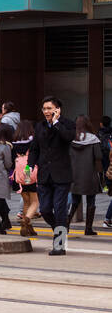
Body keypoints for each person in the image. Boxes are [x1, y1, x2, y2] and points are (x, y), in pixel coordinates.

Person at [32, 96, 76, 255]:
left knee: (59, 209)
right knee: (44, 210)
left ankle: (59, 246)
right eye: (44, 109)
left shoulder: (67, 124)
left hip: (61, 175)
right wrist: (30, 166)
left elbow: (68, 137)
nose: (46, 112)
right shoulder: (39, 126)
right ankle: (61, 229)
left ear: (58, 110)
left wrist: (56, 123)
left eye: (49, 108)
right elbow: (35, 147)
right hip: (44, 175)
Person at [69, 115, 102, 236]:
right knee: (91, 202)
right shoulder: (93, 139)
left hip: (74, 175)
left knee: (75, 201)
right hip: (90, 175)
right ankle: (88, 229)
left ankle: (66, 223)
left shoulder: (71, 139)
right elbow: (98, 156)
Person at [12, 119, 39, 237]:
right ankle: (26, 219)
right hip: (29, 170)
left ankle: (28, 228)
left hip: (19, 173)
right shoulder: (33, 141)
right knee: (35, 201)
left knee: (26, 201)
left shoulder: (14, 143)